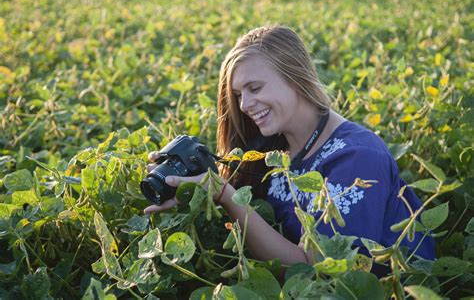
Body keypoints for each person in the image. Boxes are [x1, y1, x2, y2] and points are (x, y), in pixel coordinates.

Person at [144, 25, 435, 272]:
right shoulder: (271, 146)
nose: (244, 105)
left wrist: (226, 195)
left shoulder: (358, 157)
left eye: (255, 88)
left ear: (295, 77)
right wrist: (194, 191)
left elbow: (319, 271)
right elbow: (250, 225)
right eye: (238, 94)